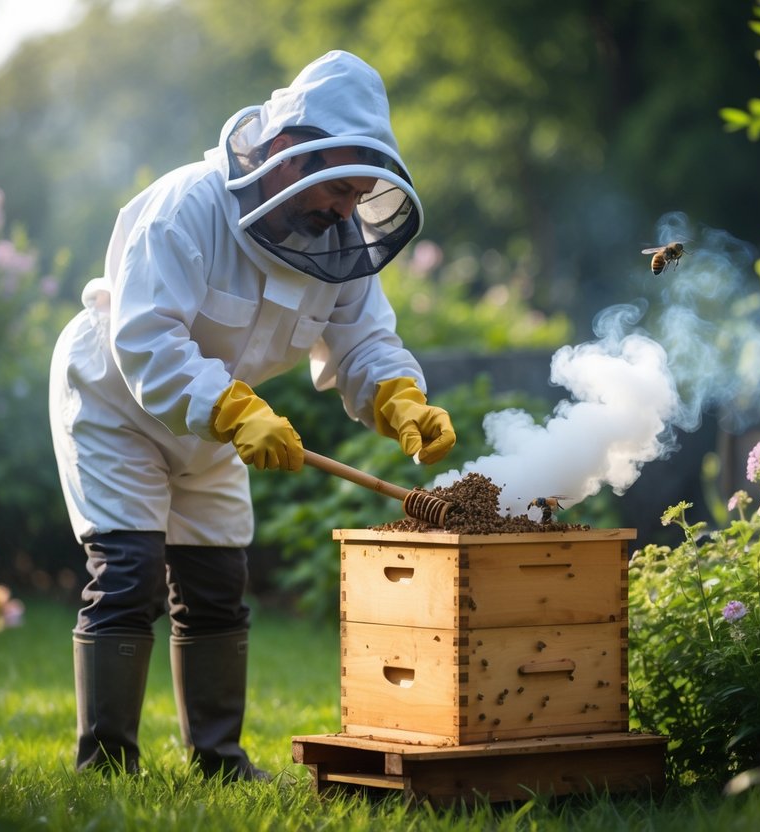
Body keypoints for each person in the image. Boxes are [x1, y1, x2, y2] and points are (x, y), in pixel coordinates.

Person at [48, 50, 457, 780]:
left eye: (355, 194)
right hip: (115, 399)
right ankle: (105, 766)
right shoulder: (187, 207)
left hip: (220, 418)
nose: (342, 208)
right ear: (282, 151)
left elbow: (364, 338)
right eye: (335, 187)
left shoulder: (338, 239)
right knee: (129, 572)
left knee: (215, 580)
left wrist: (400, 397)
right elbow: (144, 337)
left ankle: (219, 759)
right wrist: (234, 410)